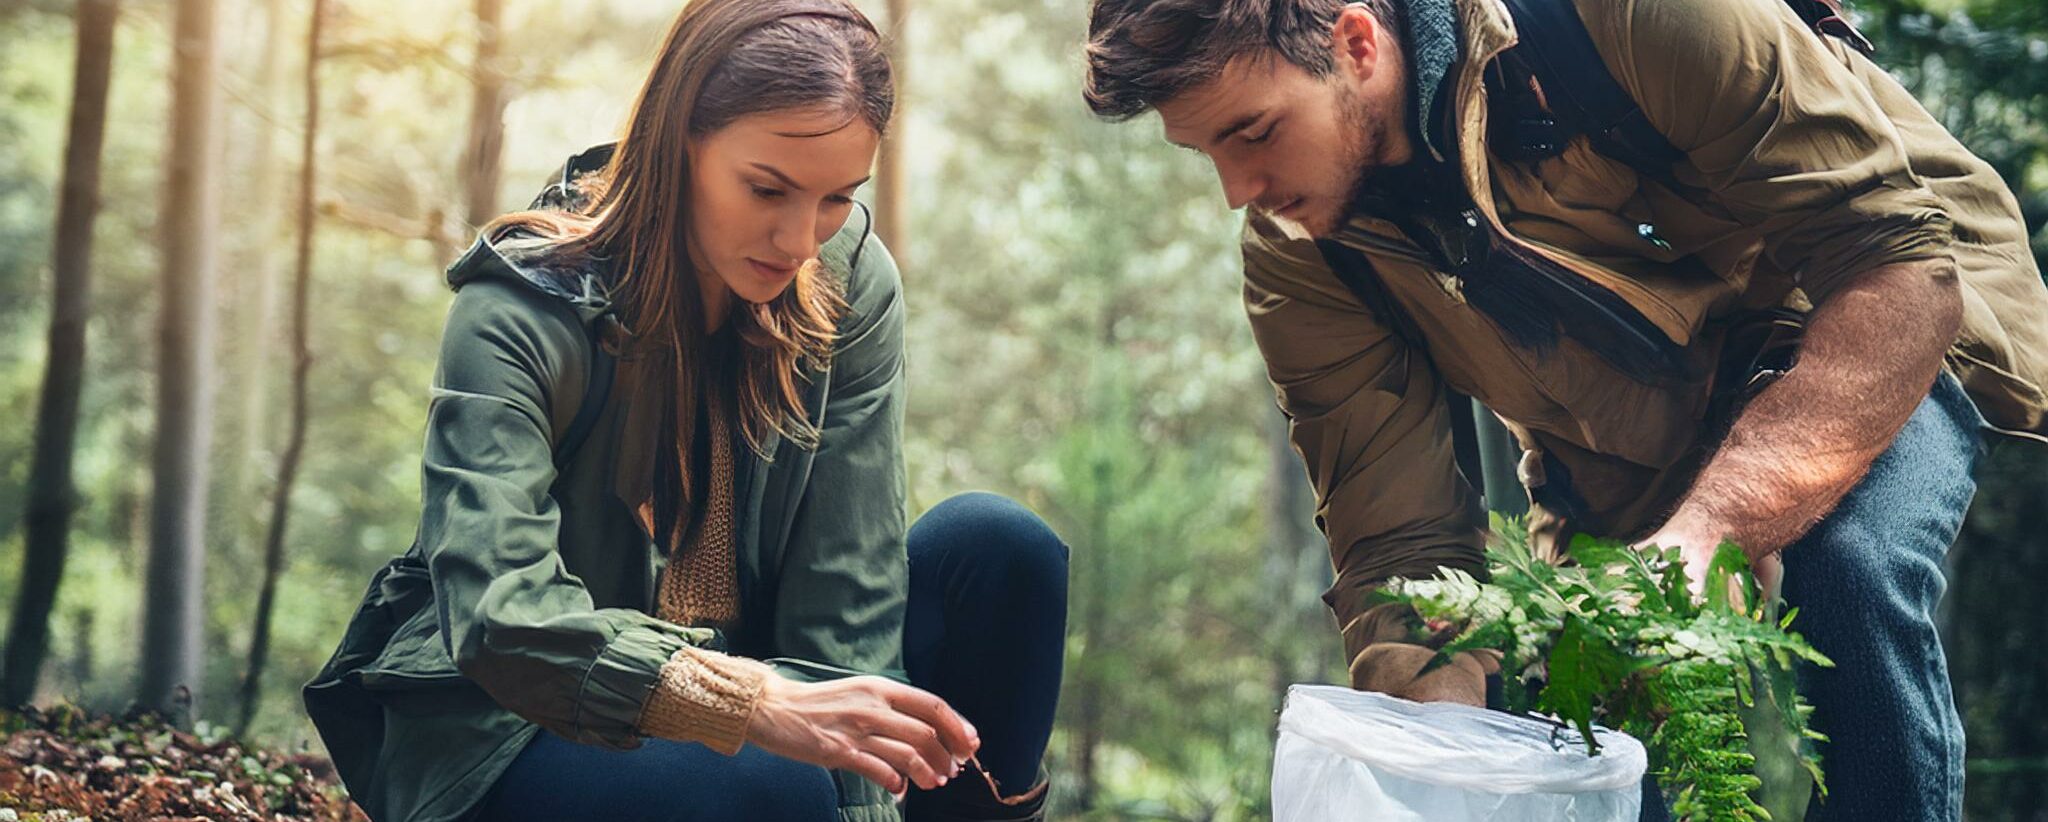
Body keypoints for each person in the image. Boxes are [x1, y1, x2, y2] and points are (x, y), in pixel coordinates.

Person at [1081, 0, 2048, 818]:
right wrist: (1441, 712)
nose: (1239, 188)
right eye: (1204, 149)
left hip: (1870, 320)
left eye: (1252, 131)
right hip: (1622, 451)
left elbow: (1894, 273)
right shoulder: (1299, 256)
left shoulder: (1637, 19)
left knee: (1848, 567)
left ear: (1356, 42)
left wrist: (1707, 534)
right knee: (1588, 706)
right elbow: (1397, 537)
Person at [304, 2, 1066, 820]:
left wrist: (854, 799)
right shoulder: (519, 308)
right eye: (766, 189)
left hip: (759, 685)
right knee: (774, 785)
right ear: (679, 145)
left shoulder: (848, 282)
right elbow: (501, 617)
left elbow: (846, 597)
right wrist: (749, 706)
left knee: (1000, 553)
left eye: (837, 198)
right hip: (510, 717)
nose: (799, 238)